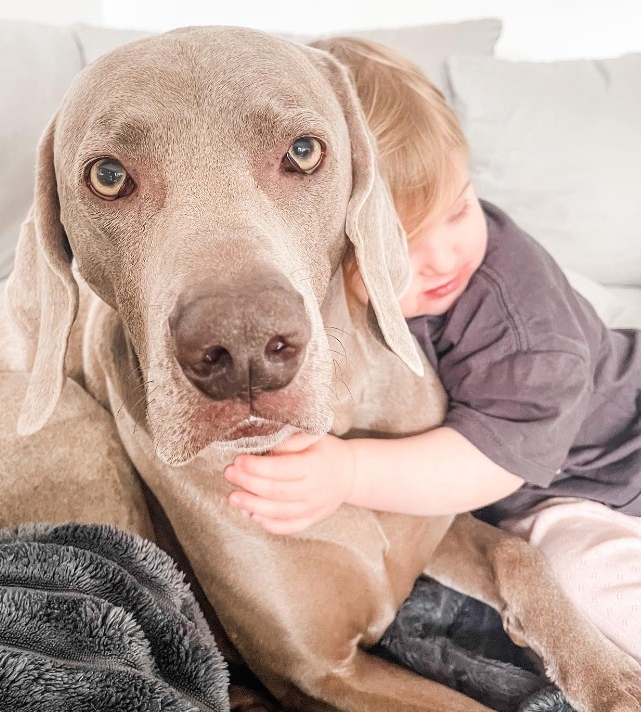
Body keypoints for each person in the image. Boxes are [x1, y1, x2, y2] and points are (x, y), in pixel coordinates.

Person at [223, 36, 641, 662]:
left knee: (583, 582)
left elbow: (487, 462)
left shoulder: (521, 327)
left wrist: (347, 472)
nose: (445, 256)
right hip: (558, 481)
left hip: (592, 471)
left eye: (459, 208)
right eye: (401, 245)